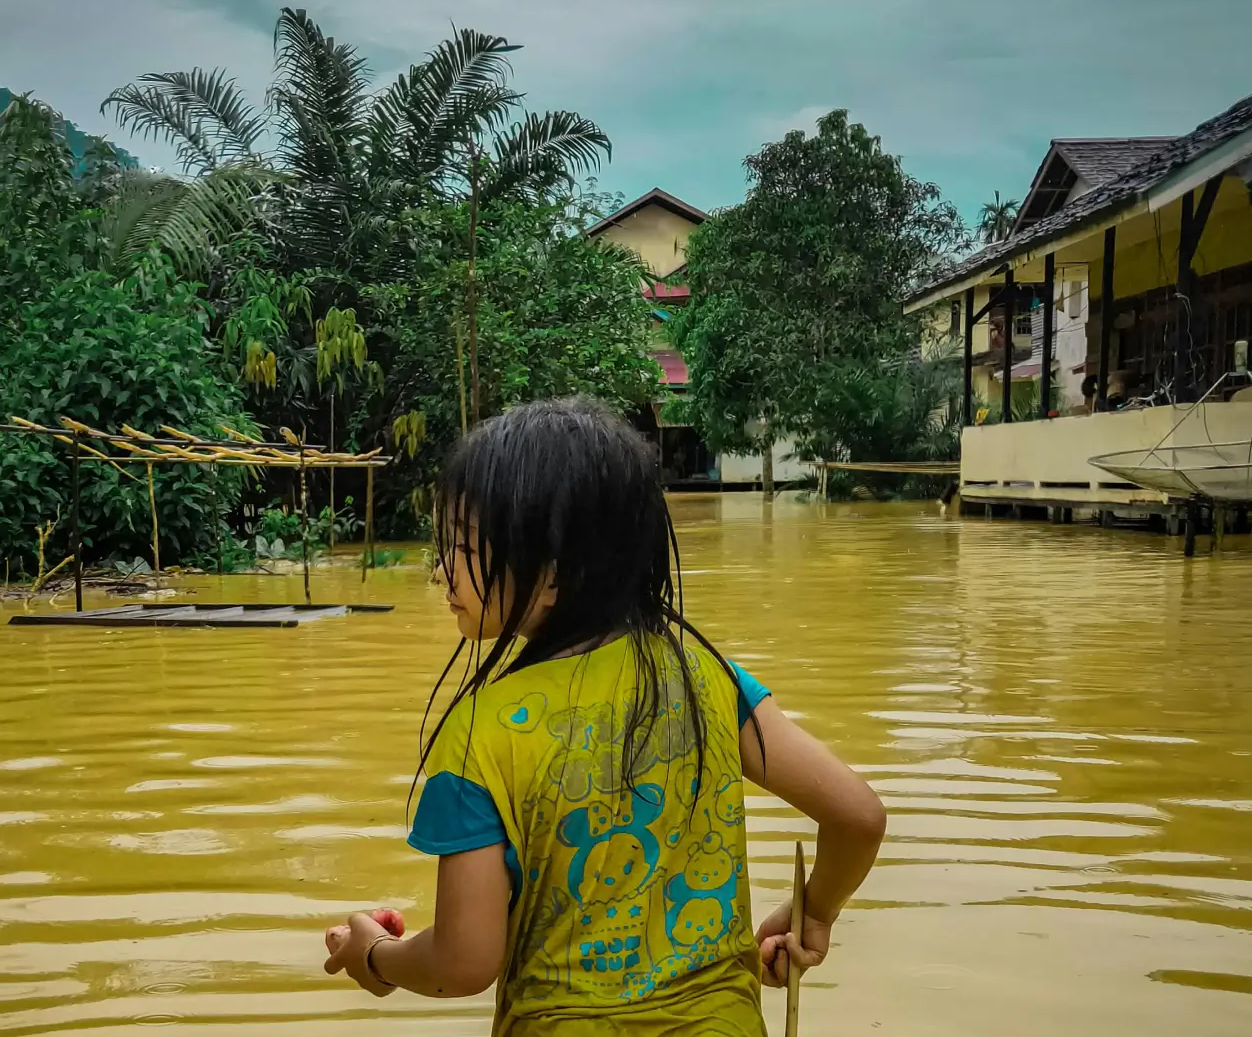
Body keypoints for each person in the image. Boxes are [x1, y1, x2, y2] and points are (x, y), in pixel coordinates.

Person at [322, 399, 887, 1035]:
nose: (441, 571)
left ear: (556, 572)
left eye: (463, 546)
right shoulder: (708, 679)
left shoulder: (479, 734)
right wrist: (815, 912)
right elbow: (859, 816)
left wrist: (375, 955)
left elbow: (462, 963)